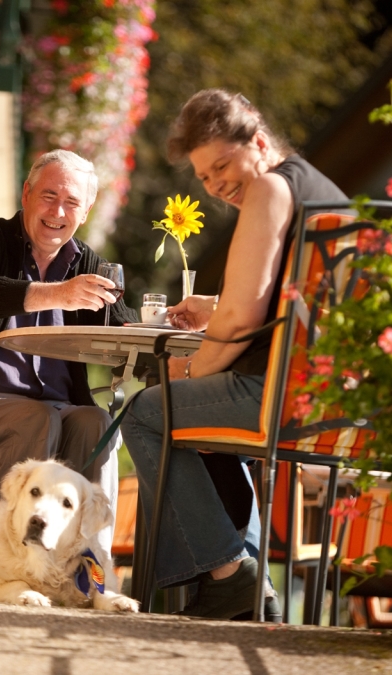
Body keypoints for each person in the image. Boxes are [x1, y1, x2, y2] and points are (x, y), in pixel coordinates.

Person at [120, 89, 349, 622]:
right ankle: (249, 588)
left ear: (260, 143)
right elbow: (292, 296)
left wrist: (189, 370)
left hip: (281, 395)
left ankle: (230, 576)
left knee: (147, 413)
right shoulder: (324, 190)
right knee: (194, 425)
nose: (217, 183)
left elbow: (245, 321)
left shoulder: (271, 187)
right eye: (204, 177)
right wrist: (215, 306)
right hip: (331, 393)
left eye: (222, 165)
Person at [0, 149, 138, 554]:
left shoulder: (87, 263)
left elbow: (122, 327)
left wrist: (164, 322)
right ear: (26, 195)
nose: (58, 211)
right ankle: (3, 560)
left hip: (57, 408)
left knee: (96, 422)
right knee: (34, 418)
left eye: (72, 202)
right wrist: (54, 295)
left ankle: (89, 565)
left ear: (84, 213)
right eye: (49, 195)